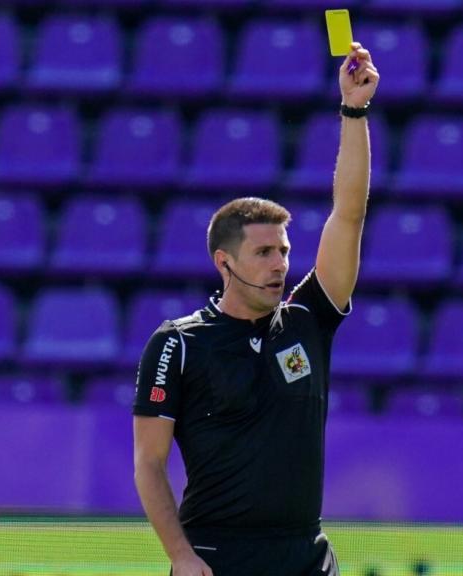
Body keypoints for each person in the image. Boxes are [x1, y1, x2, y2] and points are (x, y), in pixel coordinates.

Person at [133, 42, 379, 576]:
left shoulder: (308, 320)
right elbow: (149, 464)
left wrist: (354, 111)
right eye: (264, 253)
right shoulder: (178, 344)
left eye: (284, 251)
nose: (280, 265)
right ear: (224, 262)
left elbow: (349, 215)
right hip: (217, 557)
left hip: (306, 555)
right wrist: (180, 556)